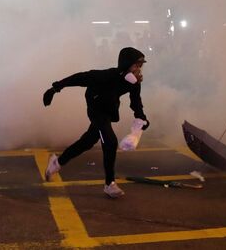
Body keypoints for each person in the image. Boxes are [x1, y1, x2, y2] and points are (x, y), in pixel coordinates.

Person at [42, 47, 150, 198]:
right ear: (126, 64)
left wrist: (141, 117)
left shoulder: (133, 83)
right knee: (110, 141)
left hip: (108, 109)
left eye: (140, 66)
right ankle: (109, 184)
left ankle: (57, 162)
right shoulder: (105, 75)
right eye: (136, 65)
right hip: (96, 108)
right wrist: (54, 88)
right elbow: (80, 77)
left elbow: (136, 101)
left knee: (87, 142)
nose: (139, 69)